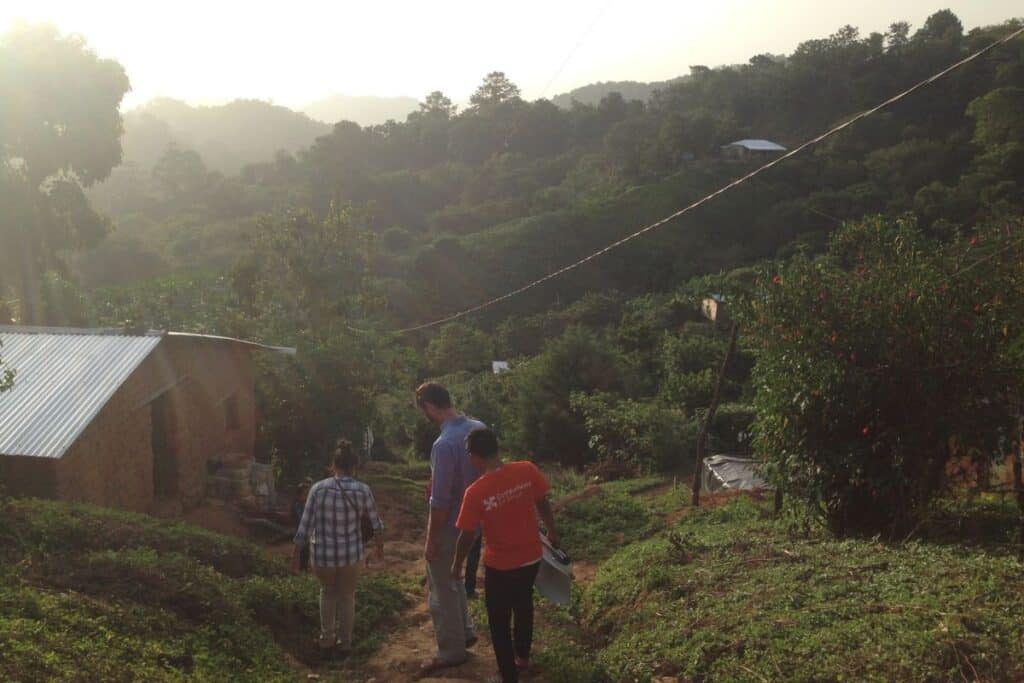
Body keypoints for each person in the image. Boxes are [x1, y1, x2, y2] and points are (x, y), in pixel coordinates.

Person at [451, 427, 560, 683]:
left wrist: (457, 564)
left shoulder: (475, 492)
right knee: (523, 605)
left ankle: (508, 675)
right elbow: (542, 502)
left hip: (501, 566)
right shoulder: (527, 469)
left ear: (474, 456)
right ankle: (522, 658)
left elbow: (467, 535)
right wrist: (552, 532)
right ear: (496, 448)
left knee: (499, 622)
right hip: (532, 556)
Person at [415, 382, 485, 676]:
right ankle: (465, 631)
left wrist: (430, 540)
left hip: (451, 525)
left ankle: (451, 650)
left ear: (430, 407)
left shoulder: (443, 445)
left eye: (424, 411)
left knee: (442, 587)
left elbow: (440, 502)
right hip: (476, 524)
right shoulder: (478, 427)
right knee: (456, 577)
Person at [293, 439, 384, 662]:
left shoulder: (317, 489)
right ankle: (345, 645)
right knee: (347, 597)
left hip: (323, 556)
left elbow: (305, 525)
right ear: (354, 467)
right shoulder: (363, 490)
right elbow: (376, 524)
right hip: (351, 556)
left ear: (333, 465)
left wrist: (296, 554)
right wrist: (379, 548)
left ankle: (326, 641)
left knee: (327, 593)